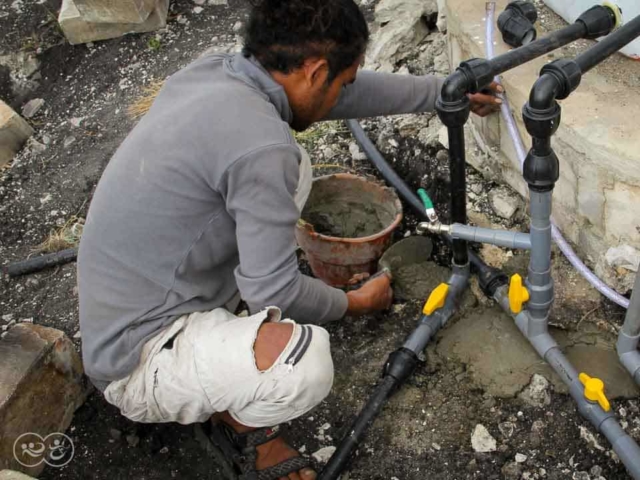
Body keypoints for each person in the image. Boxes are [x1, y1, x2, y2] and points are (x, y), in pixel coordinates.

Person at [77, 0, 501, 478]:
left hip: (136, 295)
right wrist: (354, 302)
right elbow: (272, 293)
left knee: (293, 170)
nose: (346, 91)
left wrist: (441, 92)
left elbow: (335, 97)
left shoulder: (222, 73)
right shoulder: (261, 147)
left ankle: (224, 342)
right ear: (316, 71)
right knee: (304, 363)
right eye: (344, 80)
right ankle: (249, 434)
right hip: (136, 359)